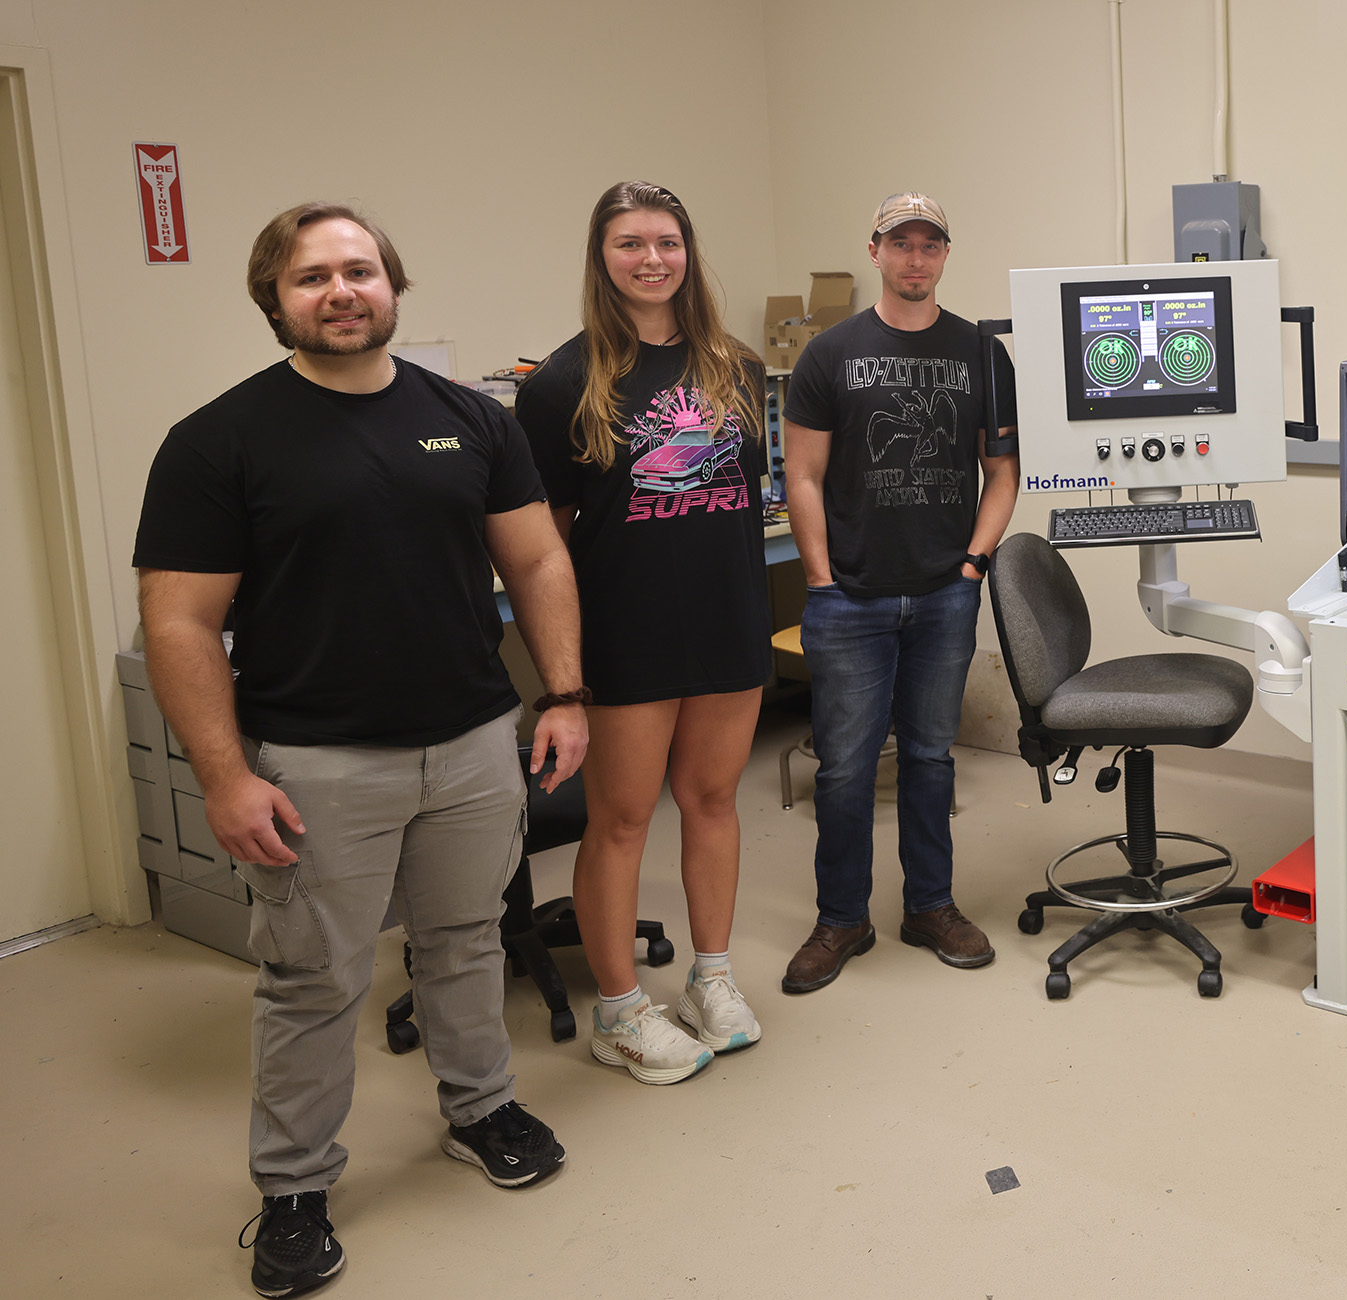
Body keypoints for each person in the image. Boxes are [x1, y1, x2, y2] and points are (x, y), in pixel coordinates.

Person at [134, 202, 584, 1298]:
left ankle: (480, 1108)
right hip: (316, 762)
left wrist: (564, 695)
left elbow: (536, 565)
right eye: (312, 277)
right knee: (312, 979)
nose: (342, 291)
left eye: (360, 270)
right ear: (274, 299)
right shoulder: (218, 440)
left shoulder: (468, 419)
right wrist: (226, 775)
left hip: (475, 741)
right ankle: (293, 1189)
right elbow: (180, 623)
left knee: (466, 941)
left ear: (394, 285)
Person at [515, 181, 770, 1085]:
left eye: (667, 242)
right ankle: (620, 1011)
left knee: (712, 803)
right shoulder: (560, 384)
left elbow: (746, 492)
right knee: (620, 820)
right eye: (631, 244)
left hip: (731, 621)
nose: (652, 259)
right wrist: (564, 676)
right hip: (628, 629)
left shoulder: (734, 366)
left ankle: (712, 976)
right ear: (602, 257)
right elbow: (538, 544)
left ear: (688, 253)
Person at [778, 192, 1018, 993]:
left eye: (931, 245)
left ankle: (931, 906)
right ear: (875, 251)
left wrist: (974, 563)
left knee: (928, 758)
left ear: (946, 254)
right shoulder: (828, 355)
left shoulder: (983, 355)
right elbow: (802, 476)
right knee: (845, 769)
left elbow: (1001, 470)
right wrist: (819, 578)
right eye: (900, 244)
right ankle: (841, 918)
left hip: (945, 594)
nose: (916, 259)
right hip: (849, 598)